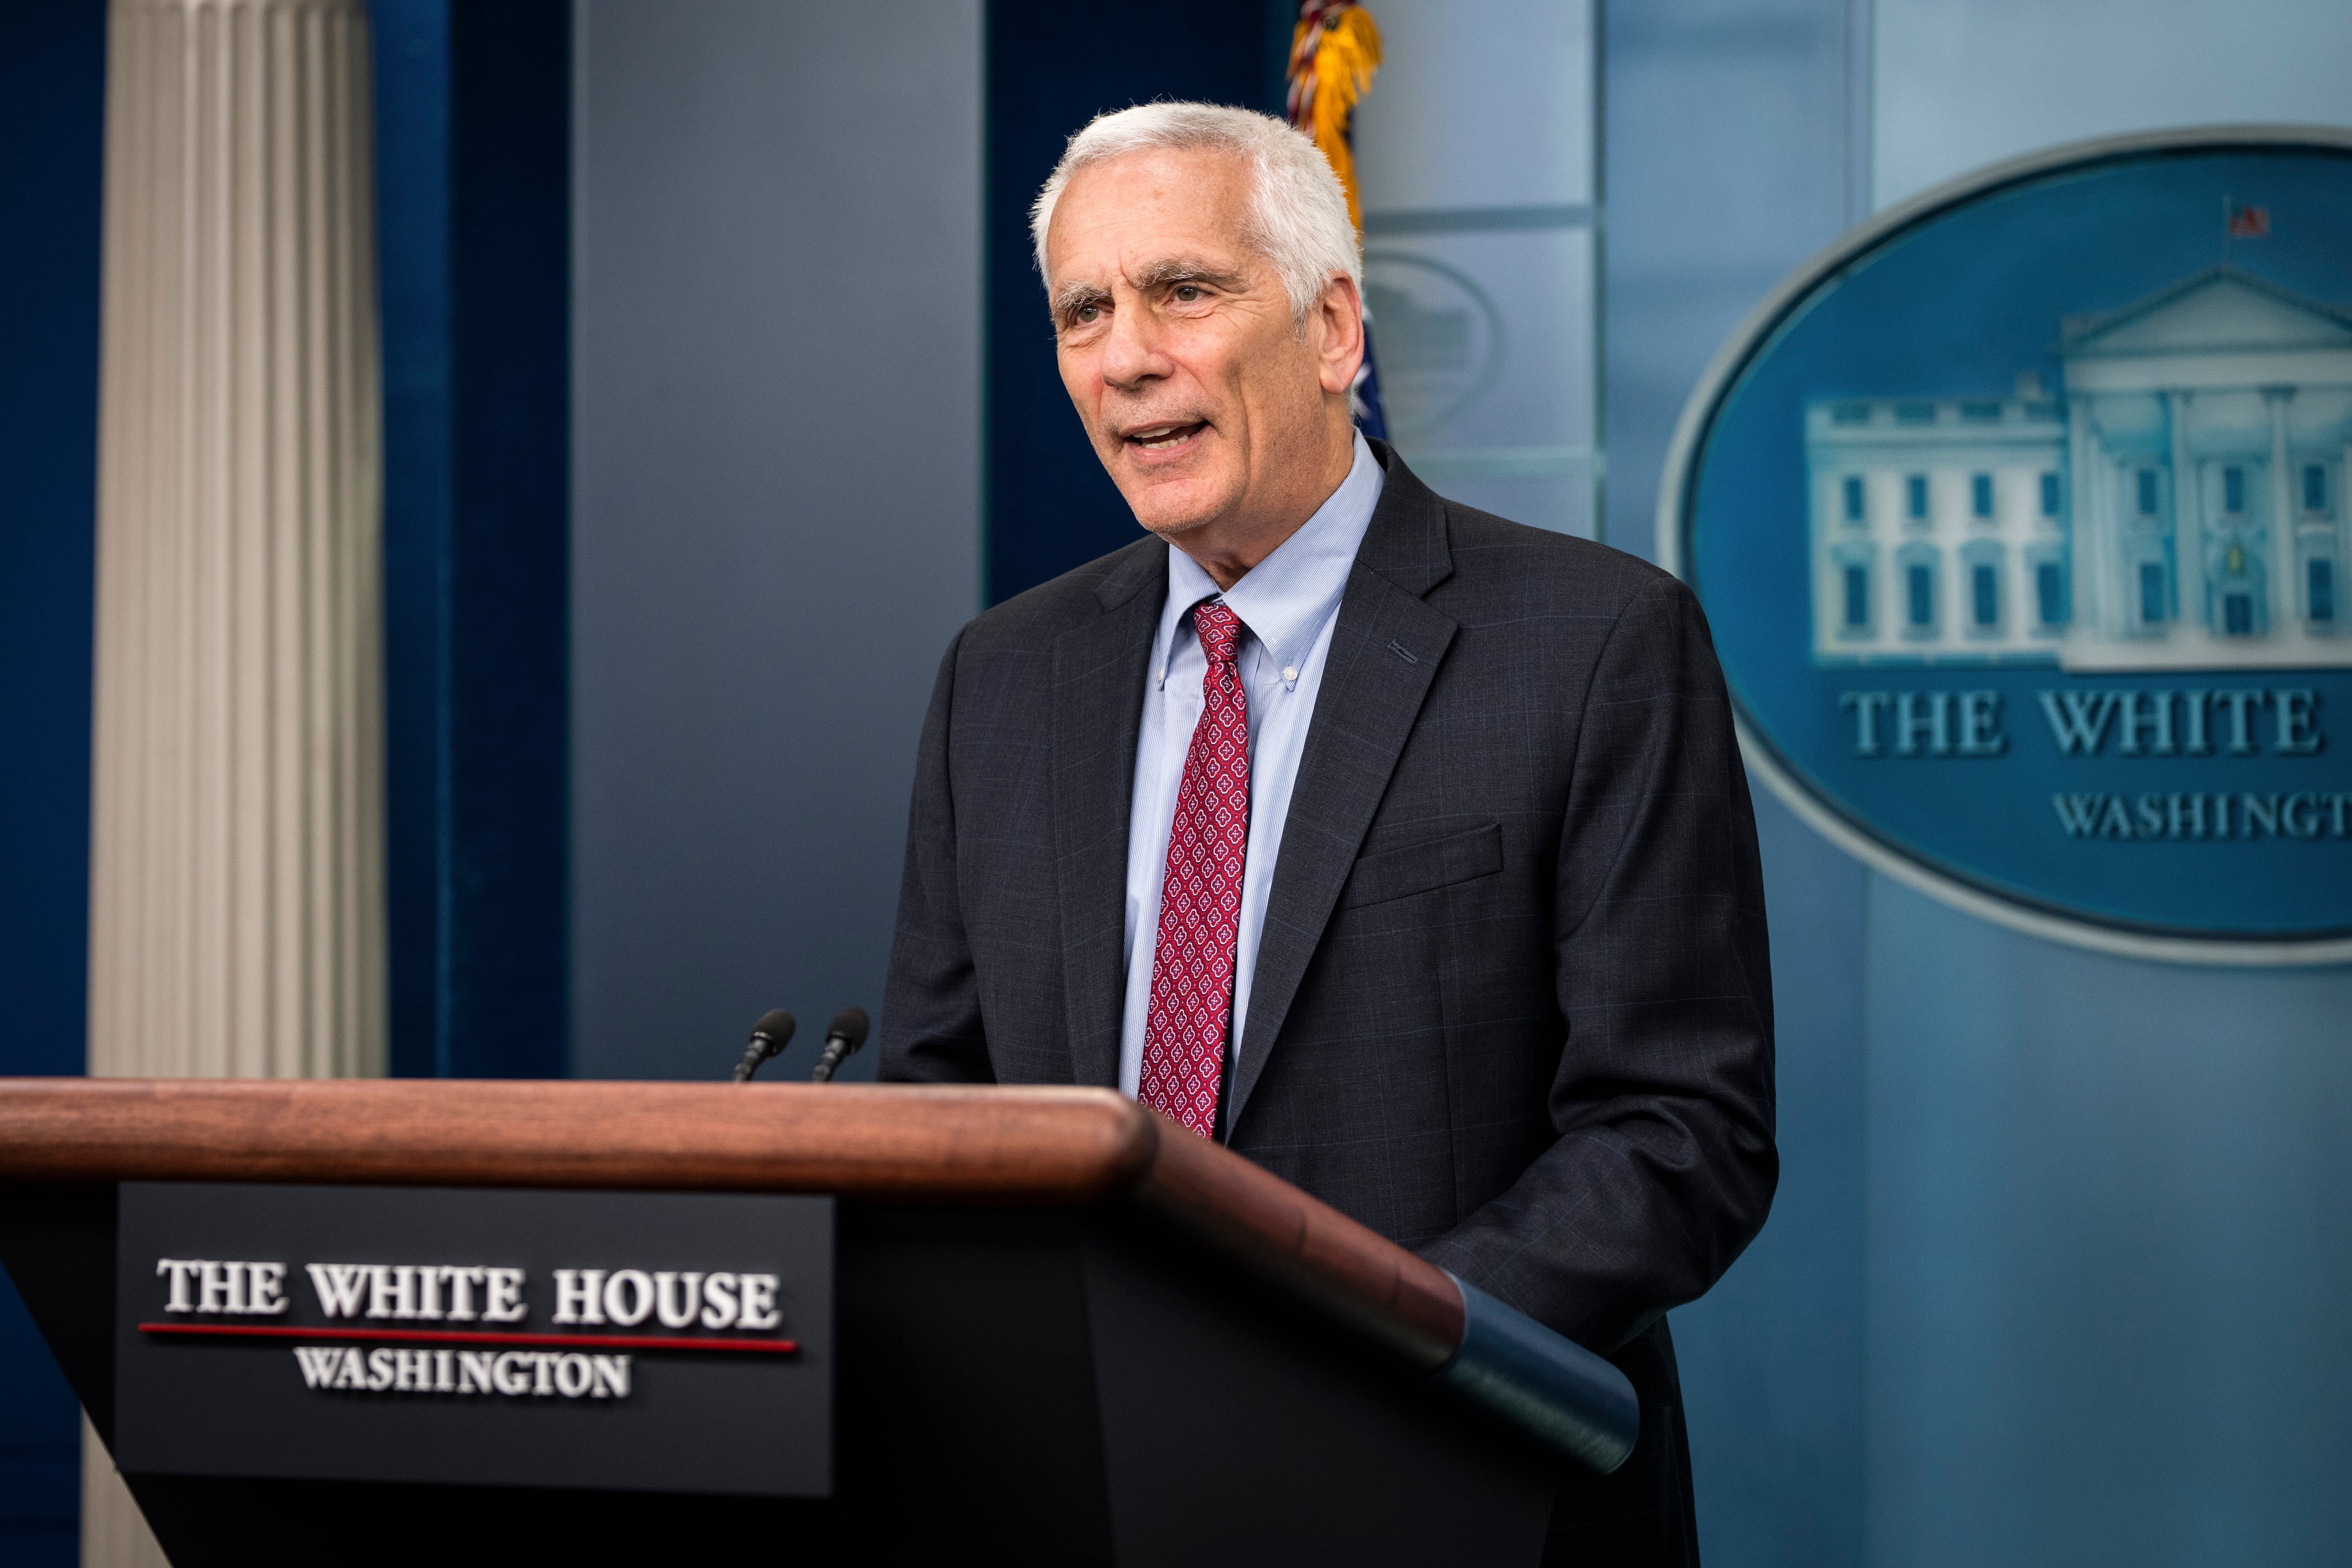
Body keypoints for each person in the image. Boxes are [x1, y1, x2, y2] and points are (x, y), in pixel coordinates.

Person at [880, 101, 1774, 1564]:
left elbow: (1680, 1129)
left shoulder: (1595, 639)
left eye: (1183, 290)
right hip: (1079, 1494)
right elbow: (940, 1105)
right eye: (1082, 310)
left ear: (1334, 326)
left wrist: (1361, 1345)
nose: (1124, 357)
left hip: (1454, 1490)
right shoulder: (1005, 673)